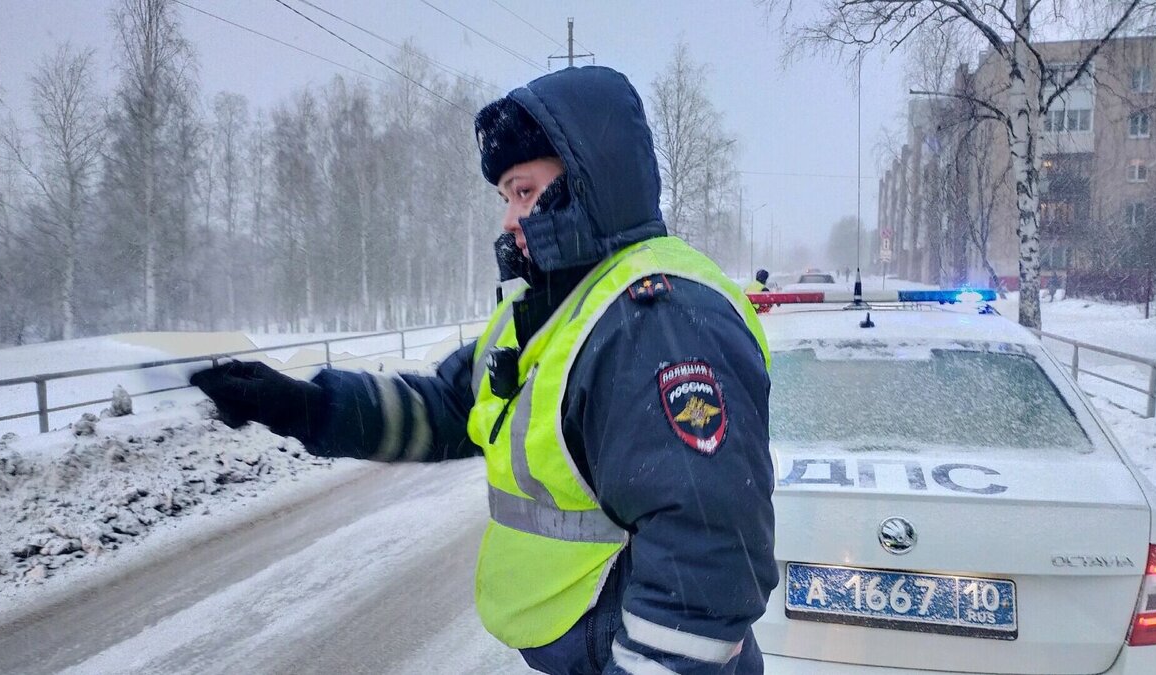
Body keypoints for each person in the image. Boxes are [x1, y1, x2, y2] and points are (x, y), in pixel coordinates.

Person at [189, 66, 777, 674]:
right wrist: (306, 407)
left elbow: (705, 560)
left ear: (587, 182)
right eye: (504, 199)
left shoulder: (657, 319)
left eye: (524, 192)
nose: (508, 219)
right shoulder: (557, 306)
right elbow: (451, 407)